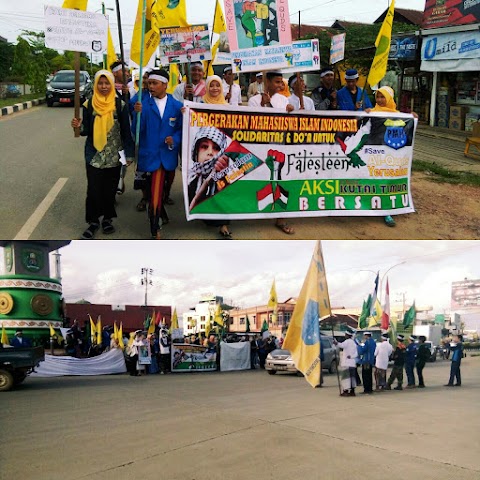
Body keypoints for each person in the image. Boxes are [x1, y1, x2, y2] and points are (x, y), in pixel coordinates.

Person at [71, 70, 134, 240]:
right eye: (101, 83)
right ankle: (93, 222)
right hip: (94, 155)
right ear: (96, 84)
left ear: (112, 84)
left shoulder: (119, 105)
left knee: (110, 190)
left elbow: (126, 132)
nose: (104, 86)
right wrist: (77, 126)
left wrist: (129, 154)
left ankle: (107, 219)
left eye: (107, 83)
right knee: (93, 190)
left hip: (114, 155)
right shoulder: (89, 104)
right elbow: (85, 131)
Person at [132, 69, 183, 239]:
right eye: (149, 83)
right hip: (151, 156)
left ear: (165, 85)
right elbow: (136, 132)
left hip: (168, 156)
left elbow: (181, 130)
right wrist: (137, 115)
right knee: (154, 192)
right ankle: (155, 228)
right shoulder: (144, 104)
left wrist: (174, 139)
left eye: (155, 83)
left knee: (162, 190)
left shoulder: (176, 106)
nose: (151, 86)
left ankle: (162, 214)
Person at [248, 71, 295, 235]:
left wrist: (291, 111)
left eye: (281, 82)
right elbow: (254, 124)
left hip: (280, 147)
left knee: (281, 180)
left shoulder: (284, 100)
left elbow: (289, 124)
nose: (280, 86)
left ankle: (281, 218)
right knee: (261, 180)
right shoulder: (254, 100)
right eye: (276, 82)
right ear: (267, 82)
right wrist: (265, 106)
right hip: (261, 148)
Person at [365, 85, 418, 227]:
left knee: (387, 180)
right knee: (373, 178)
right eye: (378, 96)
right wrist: (365, 114)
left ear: (389, 98)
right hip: (374, 153)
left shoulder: (398, 115)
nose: (380, 99)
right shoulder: (371, 112)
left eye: (383, 97)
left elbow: (405, 127)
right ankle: (369, 204)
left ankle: (387, 211)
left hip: (390, 155)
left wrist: (411, 117)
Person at [196, 75, 233, 239]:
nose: (215, 89)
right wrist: (186, 112)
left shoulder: (228, 107)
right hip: (206, 153)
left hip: (222, 153)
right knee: (207, 186)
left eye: (218, 86)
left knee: (222, 187)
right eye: (212, 86)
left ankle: (224, 223)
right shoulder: (199, 105)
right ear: (207, 87)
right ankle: (209, 217)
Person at [335, 330, 358, 397]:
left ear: (347, 335)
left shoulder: (347, 342)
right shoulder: (354, 343)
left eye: (345, 334)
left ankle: (346, 391)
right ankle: (352, 391)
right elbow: (357, 353)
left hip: (346, 364)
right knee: (352, 378)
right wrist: (351, 356)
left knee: (346, 378)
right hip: (352, 363)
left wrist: (336, 343)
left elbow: (341, 345)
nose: (345, 336)